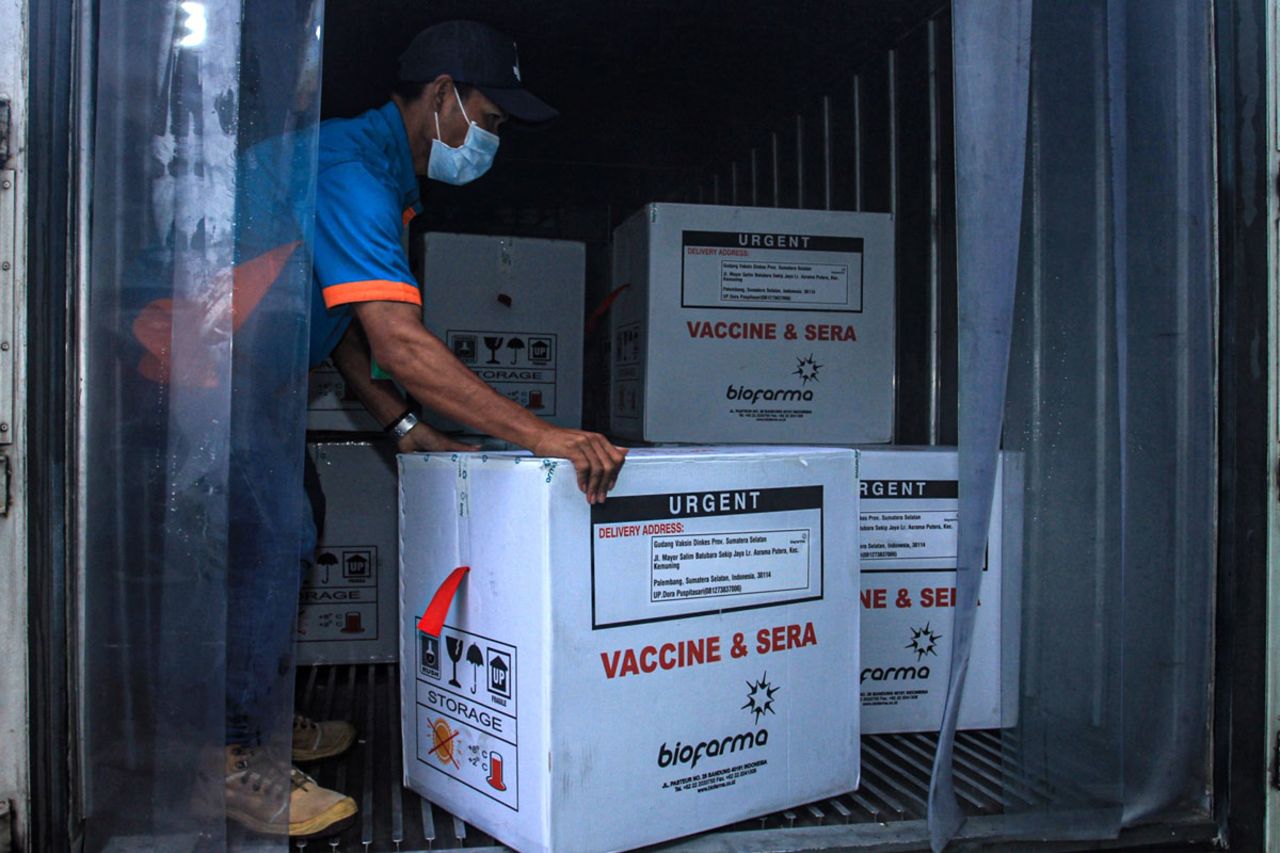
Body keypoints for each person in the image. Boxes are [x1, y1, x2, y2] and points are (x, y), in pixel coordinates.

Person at [220, 20, 628, 838]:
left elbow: (353, 341)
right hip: (191, 379)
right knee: (268, 537)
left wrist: (406, 426)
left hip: (250, 384)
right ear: (441, 97)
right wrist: (542, 435)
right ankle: (230, 755)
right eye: (493, 118)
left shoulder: (377, 172)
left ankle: (255, 721)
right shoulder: (347, 170)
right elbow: (400, 342)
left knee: (290, 526)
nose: (492, 140)